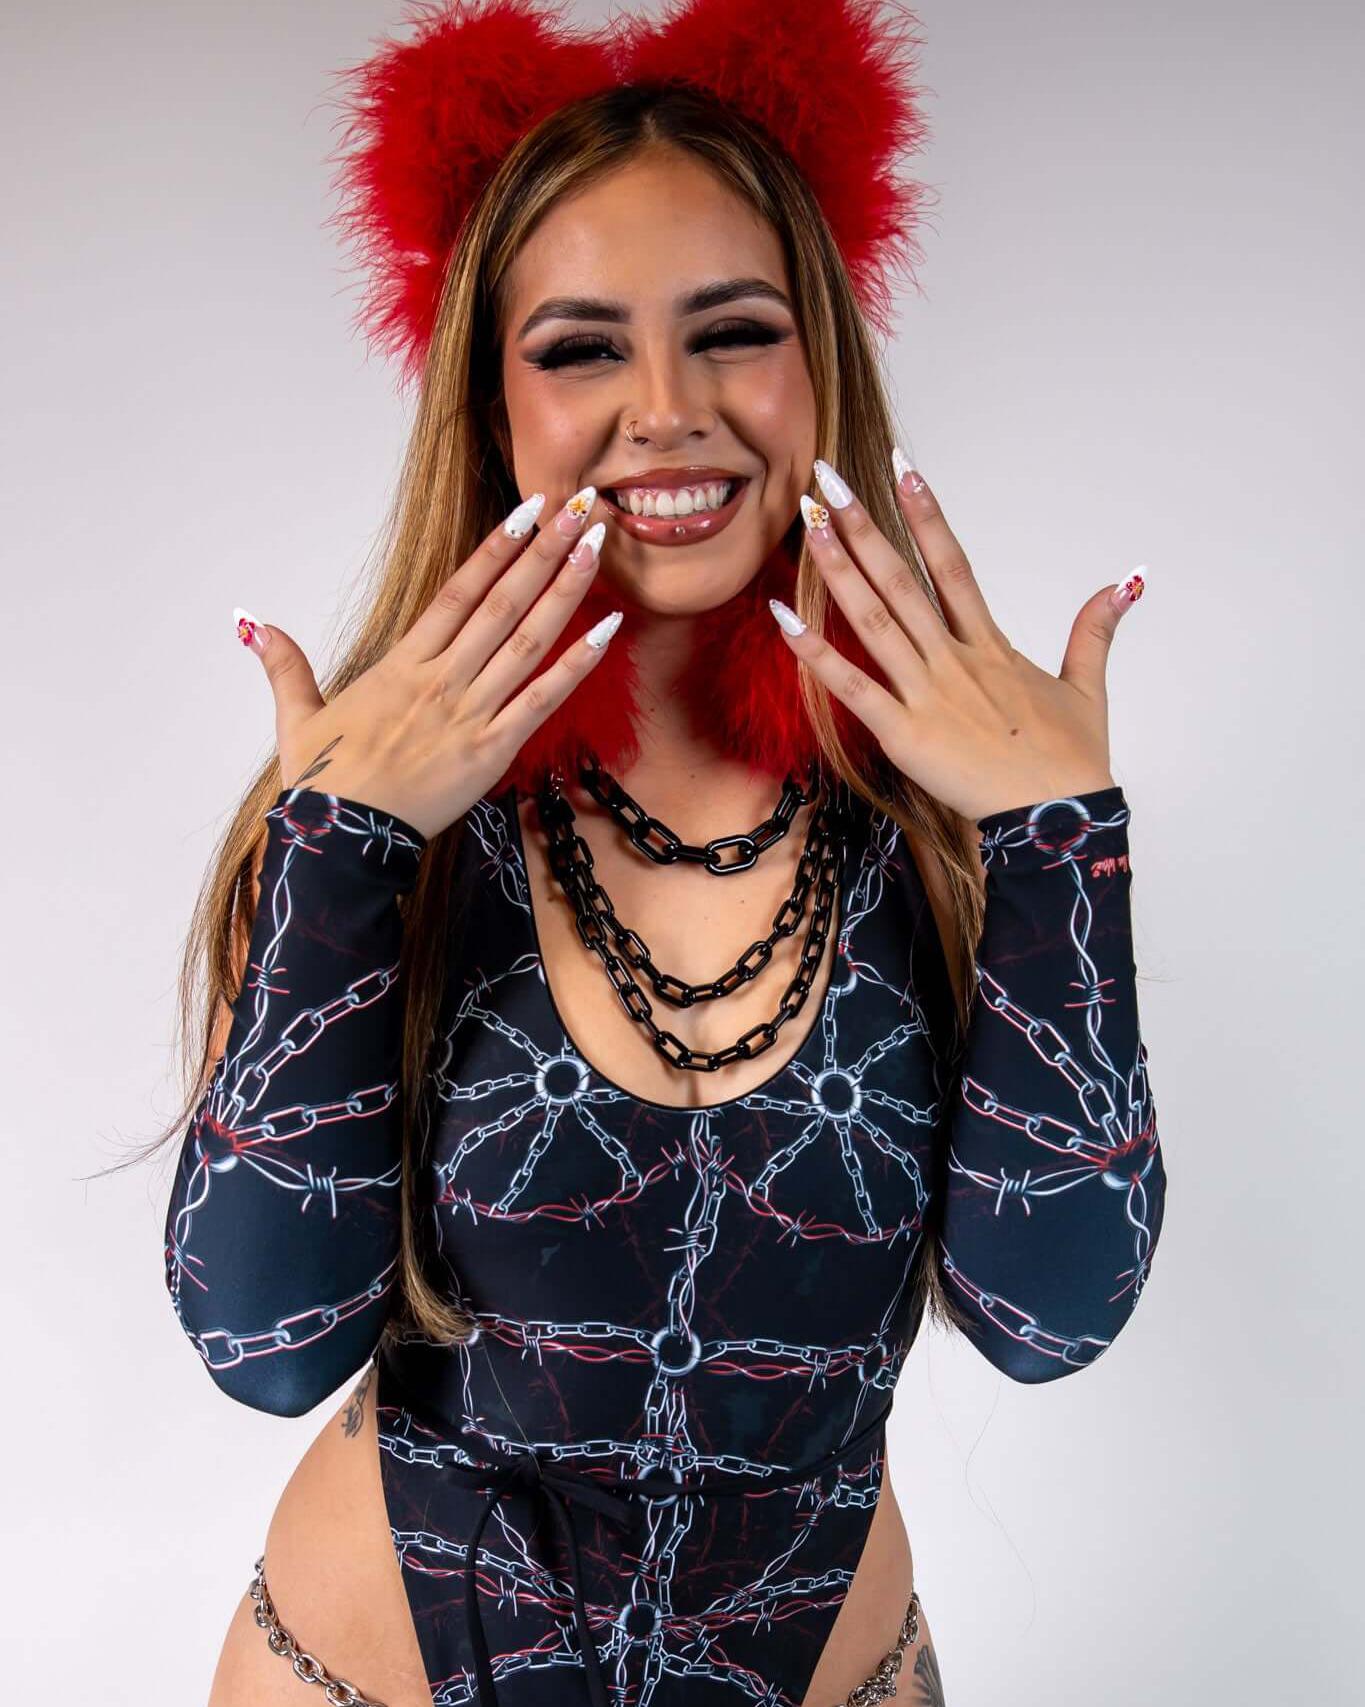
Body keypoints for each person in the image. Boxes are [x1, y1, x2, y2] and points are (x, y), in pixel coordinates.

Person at [156, 3, 1167, 1703]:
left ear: (819, 360)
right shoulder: (373, 811)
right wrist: (345, 848)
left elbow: (1046, 1322)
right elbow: (264, 1343)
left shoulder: (935, 827)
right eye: (577, 348)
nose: (665, 410)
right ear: (490, 400)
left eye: (733, 332)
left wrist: (1052, 840)